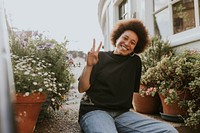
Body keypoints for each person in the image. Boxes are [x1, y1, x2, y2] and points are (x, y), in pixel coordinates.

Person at [78, 19, 178, 133]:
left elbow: (132, 93)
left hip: (122, 114)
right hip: (95, 111)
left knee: (169, 131)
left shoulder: (135, 62)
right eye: (125, 38)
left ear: (135, 48)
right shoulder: (99, 57)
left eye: (132, 42)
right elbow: (82, 88)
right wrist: (89, 65)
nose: (127, 43)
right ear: (117, 38)